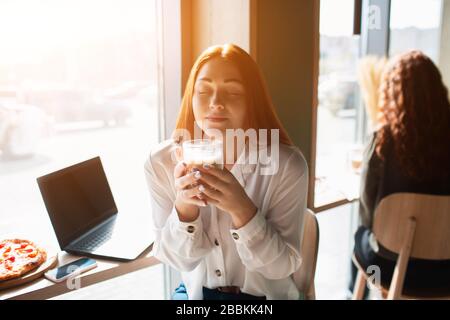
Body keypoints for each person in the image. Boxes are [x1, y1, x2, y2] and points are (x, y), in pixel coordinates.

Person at [144, 44, 308, 300]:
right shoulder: (161, 162)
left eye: (232, 92)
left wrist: (242, 209)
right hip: (196, 294)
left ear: (252, 100)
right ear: (191, 96)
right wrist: (185, 209)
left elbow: (281, 267)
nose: (215, 103)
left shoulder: (286, 165)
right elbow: (175, 260)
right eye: (204, 90)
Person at [351, 50, 450, 297]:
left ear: (391, 95)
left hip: (388, 268)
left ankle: (352, 293)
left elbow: (366, 212)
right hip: (444, 270)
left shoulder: (383, 140)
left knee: (359, 237)